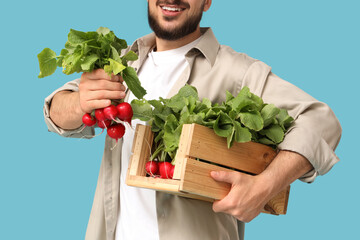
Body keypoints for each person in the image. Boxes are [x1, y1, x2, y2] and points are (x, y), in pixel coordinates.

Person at [43, 0, 342, 239]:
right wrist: (79, 101)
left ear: (208, 1)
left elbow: (321, 121)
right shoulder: (121, 63)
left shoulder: (237, 71)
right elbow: (56, 111)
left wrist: (265, 185)